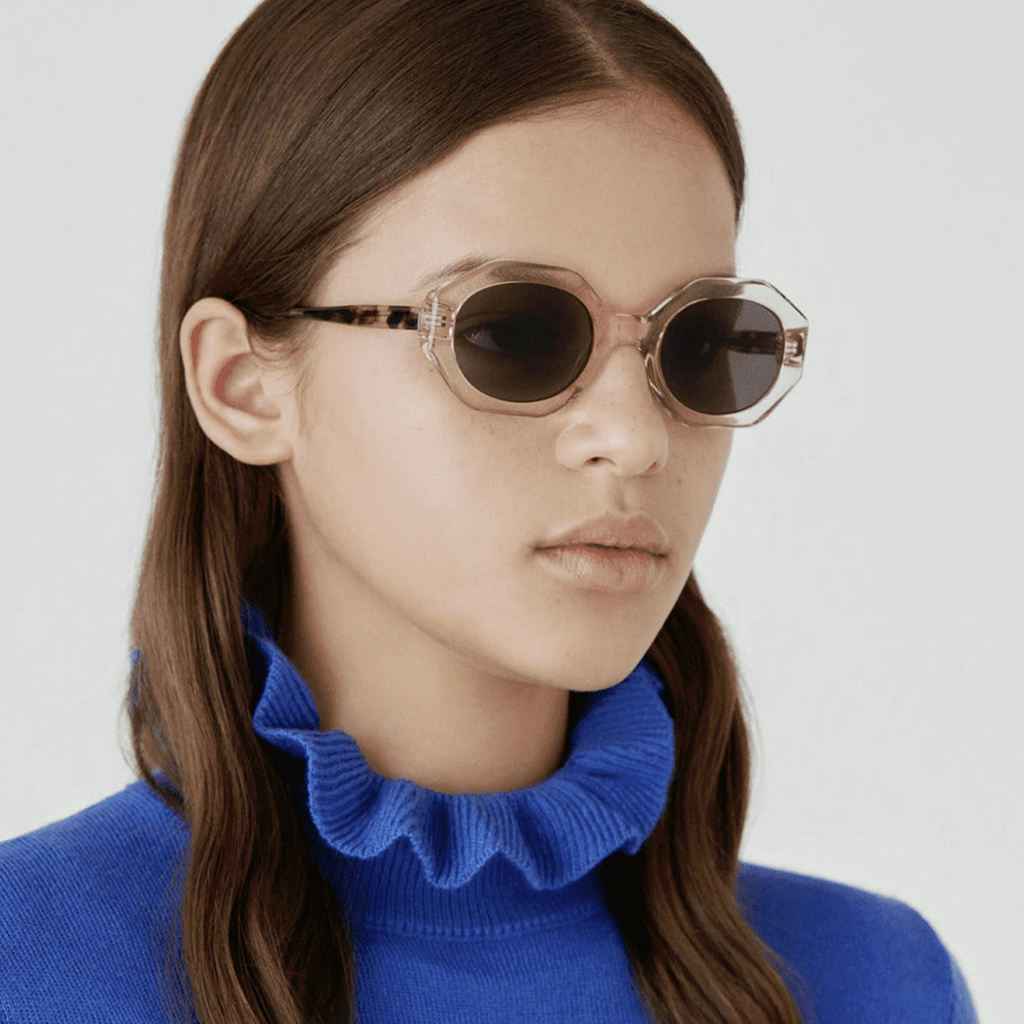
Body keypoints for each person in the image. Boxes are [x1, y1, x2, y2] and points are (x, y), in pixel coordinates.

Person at [0, 1, 979, 1022]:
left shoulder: (879, 984)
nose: (634, 437)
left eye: (698, 344)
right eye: (511, 334)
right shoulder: (26, 969)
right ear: (243, 384)